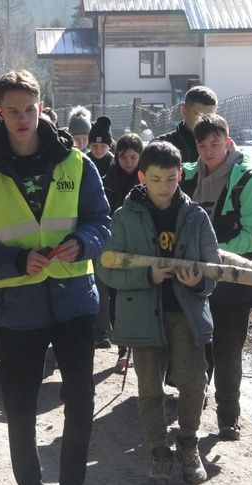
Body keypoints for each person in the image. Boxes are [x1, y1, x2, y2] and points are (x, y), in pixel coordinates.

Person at [0, 69, 110, 485]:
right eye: (12, 112)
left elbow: (101, 220)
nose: (22, 119)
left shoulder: (77, 163)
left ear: (41, 108)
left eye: (29, 109)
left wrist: (83, 242)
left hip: (76, 302)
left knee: (80, 404)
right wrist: (18, 260)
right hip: (16, 311)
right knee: (20, 411)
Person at [95, 141, 219, 485]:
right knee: (149, 389)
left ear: (180, 174)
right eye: (156, 179)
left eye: (170, 178)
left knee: (195, 381)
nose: (165, 186)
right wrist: (146, 277)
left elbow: (214, 268)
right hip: (142, 316)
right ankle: (158, 451)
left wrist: (199, 283)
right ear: (141, 177)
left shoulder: (196, 217)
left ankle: (188, 443)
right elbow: (107, 270)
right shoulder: (123, 217)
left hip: (187, 313)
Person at [183, 113, 252, 441]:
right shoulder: (186, 177)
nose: (208, 150)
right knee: (194, 347)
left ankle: (228, 416)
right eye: (202, 144)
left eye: (215, 144)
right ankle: (193, 404)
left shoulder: (248, 183)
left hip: (234, 282)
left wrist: (213, 252)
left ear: (228, 142)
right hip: (193, 281)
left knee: (228, 350)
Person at [101, 132, 143, 369]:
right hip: (115, 245)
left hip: (141, 245)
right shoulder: (107, 180)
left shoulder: (147, 180)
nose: (128, 161)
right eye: (123, 156)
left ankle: (141, 344)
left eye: (133, 157)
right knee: (116, 295)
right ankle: (123, 347)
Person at [86, 115, 115, 349]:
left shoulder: (115, 165)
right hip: (88, 229)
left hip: (111, 229)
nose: (98, 149)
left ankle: (105, 328)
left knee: (105, 282)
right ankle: (93, 328)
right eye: (94, 145)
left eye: (102, 146)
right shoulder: (83, 163)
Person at [155, 85, 217, 162]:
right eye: (198, 115)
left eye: (209, 116)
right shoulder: (160, 146)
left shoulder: (222, 147)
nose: (204, 120)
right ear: (184, 112)